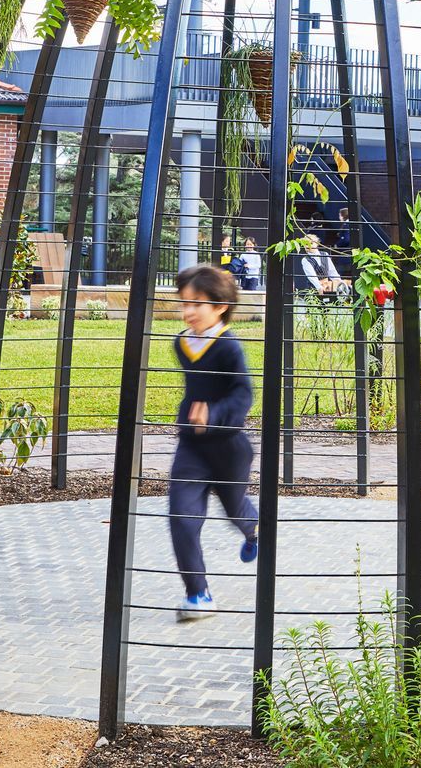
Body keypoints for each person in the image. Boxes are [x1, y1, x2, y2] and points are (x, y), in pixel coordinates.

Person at [168, 264, 258, 621]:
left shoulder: (229, 348)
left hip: (228, 449)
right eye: (184, 303)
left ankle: (254, 531)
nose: (188, 312)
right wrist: (192, 417)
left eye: (197, 304)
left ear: (220, 306)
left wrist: (214, 414)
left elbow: (243, 395)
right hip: (192, 446)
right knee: (182, 517)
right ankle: (198, 594)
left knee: (235, 509)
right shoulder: (182, 343)